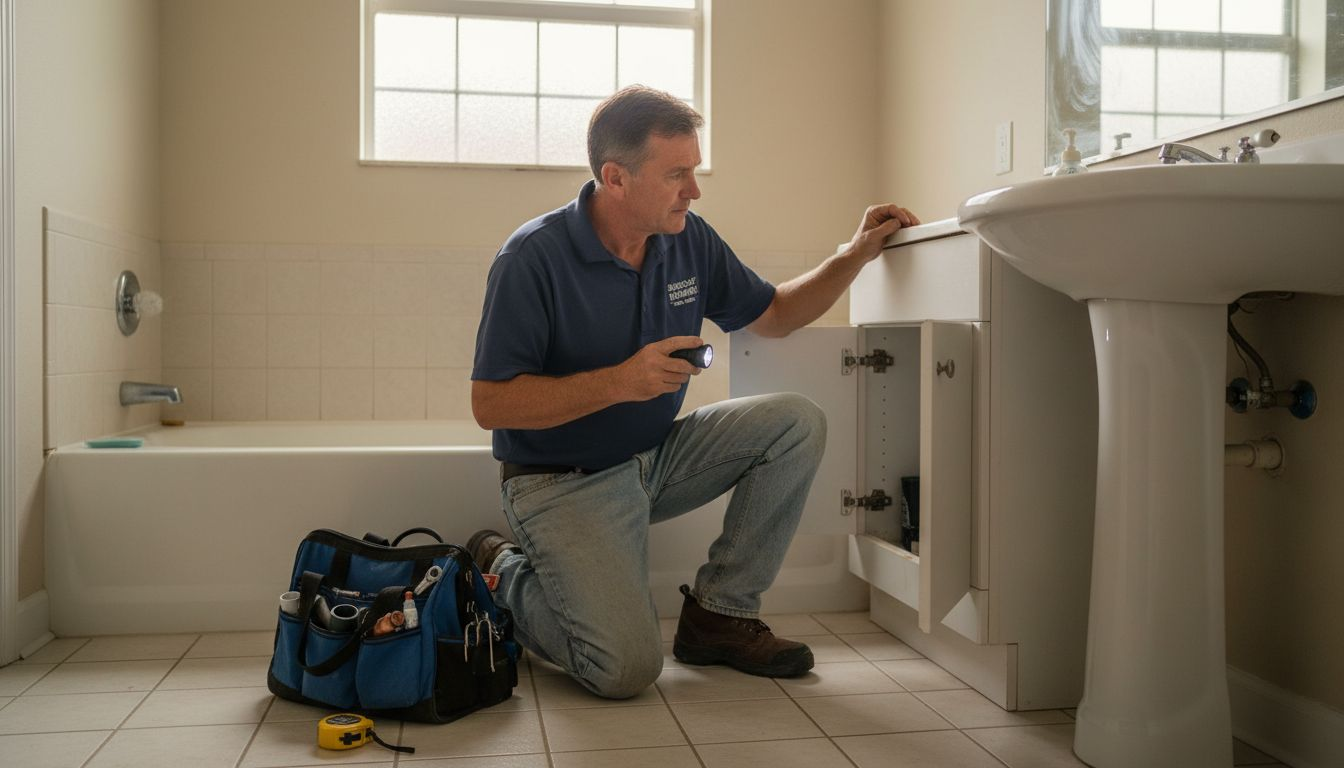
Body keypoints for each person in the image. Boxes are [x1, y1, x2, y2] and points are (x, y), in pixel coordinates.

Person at [468, 85, 919, 699]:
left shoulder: (689, 239)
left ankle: (719, 616)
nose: (695, 190)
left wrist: (856, 253)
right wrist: (621, 381)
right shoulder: (532, 258)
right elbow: (490, 404)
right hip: (559, 480)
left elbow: (775, 314)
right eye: (677, 174)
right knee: (625, 672)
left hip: (654, 459)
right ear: (616, 177)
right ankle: (501, 570)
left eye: (694, 170)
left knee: (795, 422)